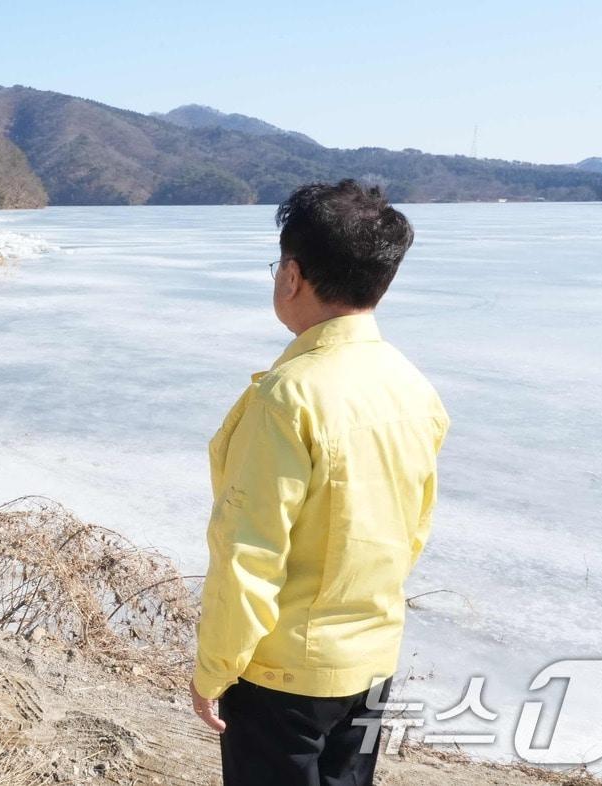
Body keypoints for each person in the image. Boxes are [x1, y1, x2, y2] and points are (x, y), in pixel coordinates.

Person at [189, 180, 449, 786]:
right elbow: (413, 530)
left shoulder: (289, 396)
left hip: (284, 677)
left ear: (293, 275)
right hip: (371, 660)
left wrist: (214, 669)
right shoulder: (411, 385)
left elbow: (249, 554)